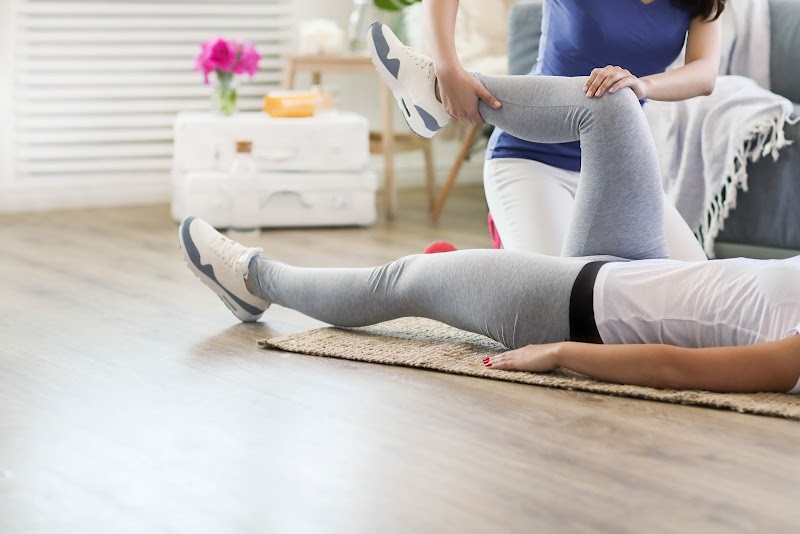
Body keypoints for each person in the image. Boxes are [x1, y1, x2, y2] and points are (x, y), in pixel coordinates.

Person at [179, 24, 800, 395]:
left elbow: (684, 367)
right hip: (642, 263)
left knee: (408, 281)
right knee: (616, 102)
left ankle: (253, 281)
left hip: (582, 308)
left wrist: (564, 353)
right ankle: (438, 91)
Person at [424, 0, 725, 260]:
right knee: (559, 306)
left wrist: (642, 85)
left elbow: (705, 71)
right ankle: (454, 268)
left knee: (698, 299)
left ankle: (499, 262)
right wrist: (447, 67)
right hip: (532, 157)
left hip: (621, 171)